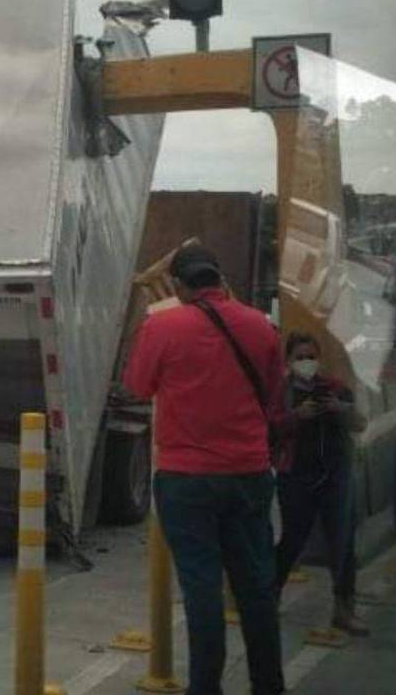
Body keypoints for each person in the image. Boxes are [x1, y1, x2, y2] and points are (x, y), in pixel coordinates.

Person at [124, 243, 286, 695]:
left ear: (179, 285)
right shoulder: (261, 326)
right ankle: (268, 684)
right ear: (219, 278)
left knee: (202, 591)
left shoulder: (163, 326)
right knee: (256, 587)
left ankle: (205, 688)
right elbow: (275, 393)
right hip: (249, 473)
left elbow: (137, 386)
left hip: (186, 478)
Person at [272, 331, 369, 635]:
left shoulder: (335, 389)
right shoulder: (281, 393)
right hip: (296, 476)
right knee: (292, 540)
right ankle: (269, 598)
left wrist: (341, 409)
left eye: (311, 357)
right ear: (289, 361)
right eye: (300, 357)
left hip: (335, 475)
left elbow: (360, 423)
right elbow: (268, 429)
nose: (307, 363)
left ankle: (344, 608)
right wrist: (296, 416)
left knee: (342, 543)